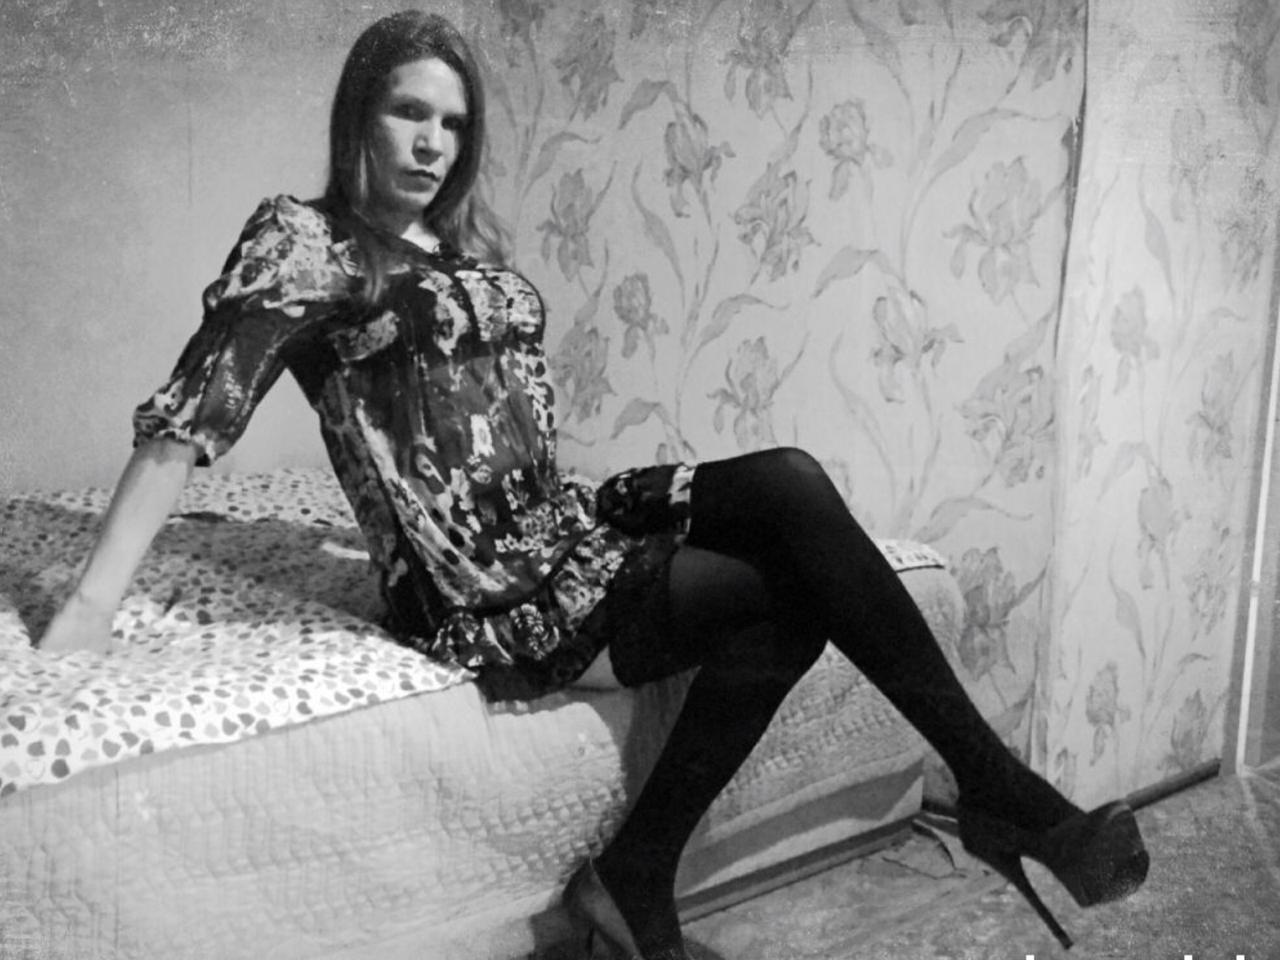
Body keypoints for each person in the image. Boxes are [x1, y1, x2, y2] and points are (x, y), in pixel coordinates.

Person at [38, 9, 1148, 958]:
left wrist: (599, 503)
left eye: (453, 124)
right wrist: (89, 607)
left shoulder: (455, 250)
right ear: (357, 117)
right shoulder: (308, 244)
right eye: (407, 113)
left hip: (566, 529)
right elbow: (193, 412)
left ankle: (680, 863)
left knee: (789, 489)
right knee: (799, 550)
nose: (432, 143)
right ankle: (983, 796)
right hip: (490, 594)